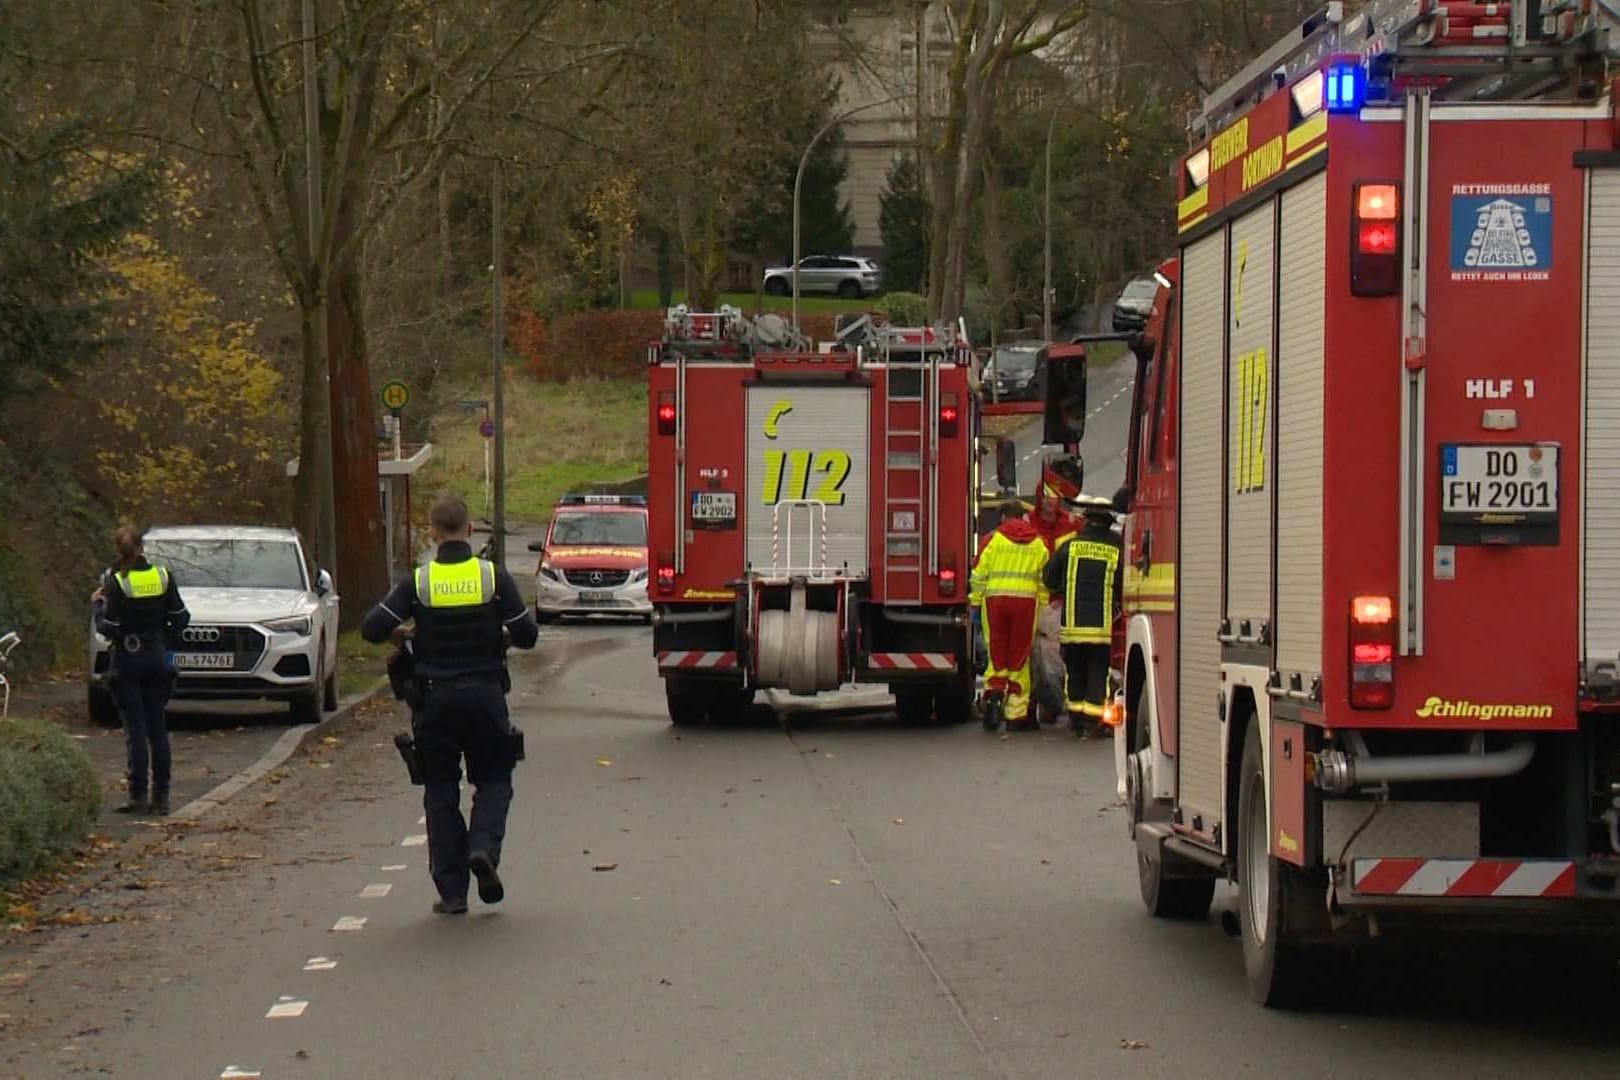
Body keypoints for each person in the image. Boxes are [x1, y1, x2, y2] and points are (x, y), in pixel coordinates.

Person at [361, 494, 539, 915]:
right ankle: (482, 849)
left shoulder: (418, 582)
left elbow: (371, 628)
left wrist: (402, 635)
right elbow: (527, 634)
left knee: (440, 789)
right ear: (470, 530)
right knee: (495, 780)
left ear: (433, 532)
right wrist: (504, 635)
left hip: (434, 701)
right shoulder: (493, 578)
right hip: (485, 697)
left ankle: (453, 892)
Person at [92, 526, 189, 816]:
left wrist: (97, 605)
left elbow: (108, 627)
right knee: (158, 728)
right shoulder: (162, 576)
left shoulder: (116, 582)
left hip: (128, 661)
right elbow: (181, 617)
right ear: (142, 547)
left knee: (136, 730)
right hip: (159, 660)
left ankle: (138, 796)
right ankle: (162, 797)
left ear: (118, 550)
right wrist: (162, 638)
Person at [1045, 495, 1123, 738]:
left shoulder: (1070, 546)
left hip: (1072, 627)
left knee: (1075, 672)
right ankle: (1093, 722)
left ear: (1087, 521)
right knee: (1098, 673)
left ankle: (1076, 719)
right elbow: (1124, 585)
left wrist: (1062, 590)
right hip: (1102, 630)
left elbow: (1049, 579)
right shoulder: (1117, 547)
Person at [969, 500, 1050, 733]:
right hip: (1025, 603)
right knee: (1019, 659)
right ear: (1022, 516)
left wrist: (975, 603)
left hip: (995, 602)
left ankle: (993, 702)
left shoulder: (991, 540)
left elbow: (978, 574)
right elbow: (1044, 580)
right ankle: (1015, 715)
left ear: (1004, 517)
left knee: (997, 656)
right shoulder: (1037, 543)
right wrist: (1043, 606)